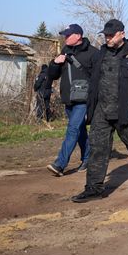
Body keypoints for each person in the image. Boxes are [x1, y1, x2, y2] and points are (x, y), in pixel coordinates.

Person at [71, 19, 128, 202]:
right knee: (97, 149)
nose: (107, 38)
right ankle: (93, 188)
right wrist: (90, 108)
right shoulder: (100, 54)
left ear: (122, 34)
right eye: (106, 35)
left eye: (111, 35)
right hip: (102, 110)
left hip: (126, 111)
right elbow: (92, 80)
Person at [46, 24, 97, 176]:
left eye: (68, 35)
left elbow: (99, 78)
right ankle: (88, 158)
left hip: (83, 100)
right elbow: (53, 75)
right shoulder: (64, 51)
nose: (65, 37)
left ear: (78, 36)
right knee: (80, 131)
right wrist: (55, 63)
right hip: (68, 99)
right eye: (65, 35)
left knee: (73, 129)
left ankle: (60, 164)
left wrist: (95, 101)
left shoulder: (93, 53)